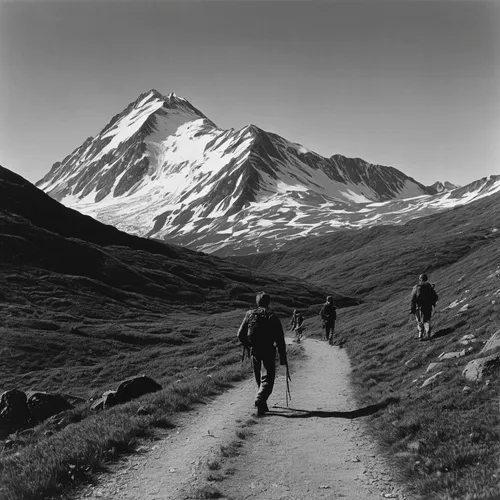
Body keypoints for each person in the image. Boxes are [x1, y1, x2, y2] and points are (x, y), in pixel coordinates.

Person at [237, 292, 287, 416]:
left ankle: (262, 406)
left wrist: (248, 345)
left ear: (257, 302)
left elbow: (239, 334)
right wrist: (282, 356)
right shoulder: (271, 315)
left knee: (259, 378)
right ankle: (260, 400)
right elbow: (280, 338)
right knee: (268, 378)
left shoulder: (249, 314)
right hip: (268, 350)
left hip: (255, 350)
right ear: (268, 302)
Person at [410, 273, 438, 340]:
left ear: (420, 279)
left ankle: (420, 335)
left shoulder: (416, 287)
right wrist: (432, 304)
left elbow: (412, 299)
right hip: (428, 307)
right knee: (426, 321)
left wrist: (412, 309)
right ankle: (428, 335)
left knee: (419, 321)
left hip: (418, 308)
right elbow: (435, 297)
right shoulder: (429, 287)